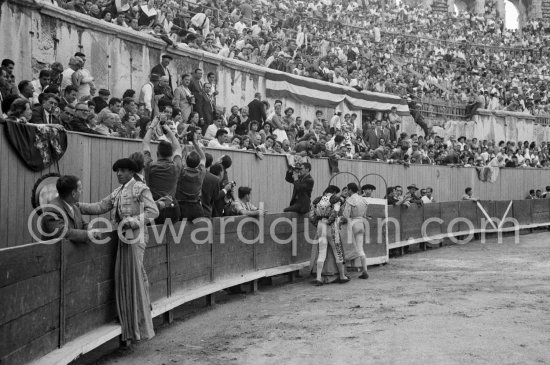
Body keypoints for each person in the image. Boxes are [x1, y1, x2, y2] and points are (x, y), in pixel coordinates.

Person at [78, 158, 159, 343]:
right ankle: (142, 309)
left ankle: (140, 314)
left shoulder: (140, 188)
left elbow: (153, 211)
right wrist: (76, 205)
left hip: (136, 236)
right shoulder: (118, 192)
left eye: (122, 171)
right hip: (124, 237)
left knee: (135, 272)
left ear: (131, 172)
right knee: (136, 272)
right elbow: (99, 207)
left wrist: (135, 220)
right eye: (117, 171)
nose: (119, 174)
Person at [143, 108, 183, 224]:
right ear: (171, 154)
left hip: (154, 208)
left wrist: (152, 126)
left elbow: (145, 143)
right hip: (172, 208)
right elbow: (178, 147)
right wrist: (166, 128)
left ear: (157, 153)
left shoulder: (150, 166)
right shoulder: (176, 166)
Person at [40, 175, 102, 243]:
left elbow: (83, 224)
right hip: (54, 253)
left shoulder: (74, 206)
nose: (82, 191)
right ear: (73, 194)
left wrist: (91, 229)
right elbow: (64, 233)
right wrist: (89, 234)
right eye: (80, 189)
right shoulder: (52, 209)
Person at [309, 185, 350, 286]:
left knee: (322, 252)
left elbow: (311, 215)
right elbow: (335, 212)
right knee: (337, 251)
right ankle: (342, 276)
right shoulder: (335, 199)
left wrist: (317, 224)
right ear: (334, 192)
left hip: (320, 226)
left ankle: (318, 278)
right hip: (331, 227)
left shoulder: (316, 200)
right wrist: (329, 221)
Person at [175, 131, 206, 221]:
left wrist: (181, 148)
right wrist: (195, 143)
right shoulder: (201, 172)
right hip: (197, 208)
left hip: (182, 208)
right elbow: (203, 157)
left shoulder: (181, 173)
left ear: (185, 160)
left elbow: (177, 157)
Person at [341, 183, 369, 279]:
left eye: (348, 189)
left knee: (346, 247)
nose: (347, 191)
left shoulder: (350, 200)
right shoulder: (363, 199)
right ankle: (365, 271)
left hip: (352, 224)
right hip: (361, 223)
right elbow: (365, 214)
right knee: (360, 249)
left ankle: (344, 272)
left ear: (350, 190)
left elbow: (345, 215)